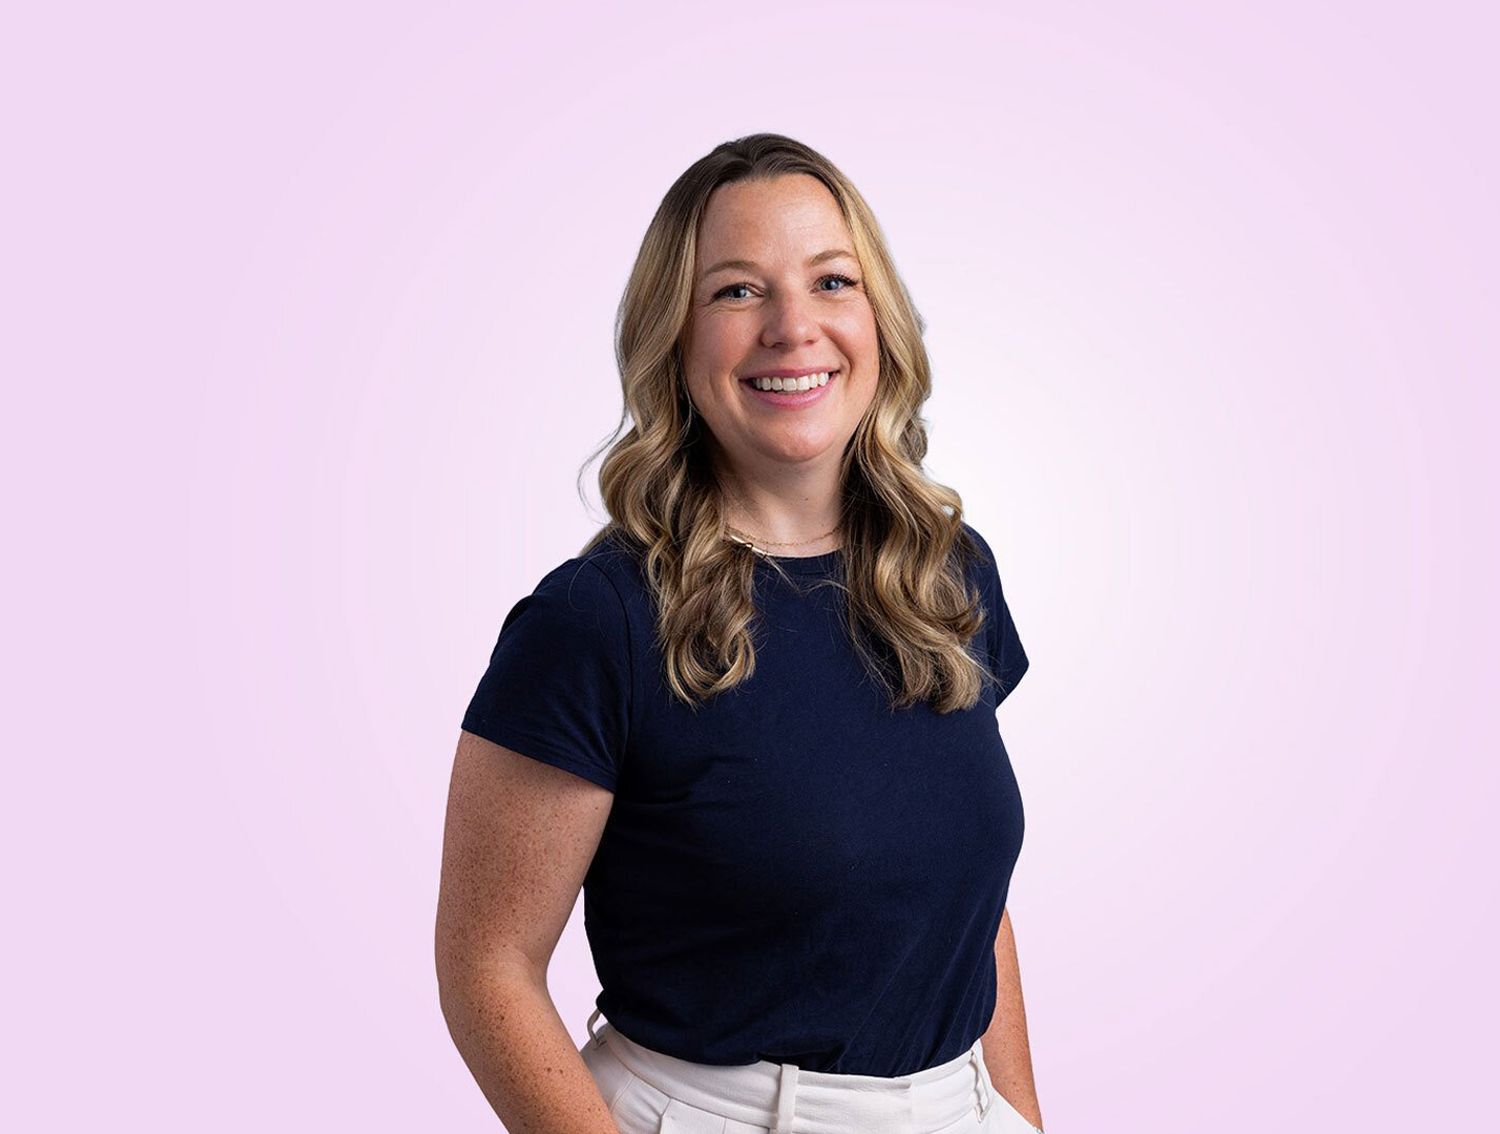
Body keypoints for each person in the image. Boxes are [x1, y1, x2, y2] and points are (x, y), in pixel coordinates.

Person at [436, 133, 1045, 1134]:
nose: (792, 327)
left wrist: (1016, 1114)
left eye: (831, 281)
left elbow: (964, 906)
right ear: (672, 338)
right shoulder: (595, 622)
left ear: (878, 320)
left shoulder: (945, 571)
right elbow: (486, 968)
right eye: (737, 291)